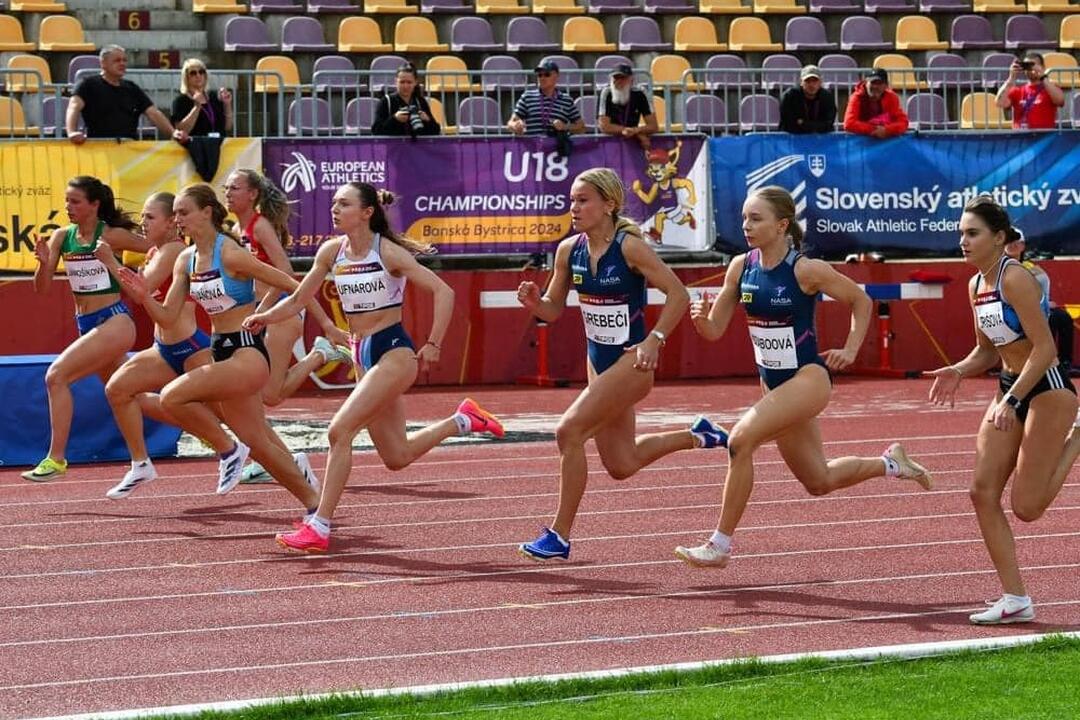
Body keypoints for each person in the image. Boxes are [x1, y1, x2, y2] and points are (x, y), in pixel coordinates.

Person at [674, 185, 932, 569]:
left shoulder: (805, 270)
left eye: (756, 218)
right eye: (744, 217)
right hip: (773, 386)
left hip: (809, 379)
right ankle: (892, 463)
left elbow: (861, 301)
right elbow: (714, 331)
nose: (746, 225)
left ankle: (718, 545)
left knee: (740, 442)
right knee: (819, 481)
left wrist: (850, 348)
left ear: (782, 225)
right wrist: (701, 322)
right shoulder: (740, 268)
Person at [243, 183, 505, 553]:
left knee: (340, 430)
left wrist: (433, 344)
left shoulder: (389, 253)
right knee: (396, 456)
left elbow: (444, 292)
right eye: (333, 203)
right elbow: (301, 297)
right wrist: (265, 316)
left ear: (367, 212)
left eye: (344, 204)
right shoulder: (331, 252)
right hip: (361, 353)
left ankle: (319, 524)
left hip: (393, 352)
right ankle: (463, 420)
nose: (335, 209)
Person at [515, 167, 709, 562]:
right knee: (622, 464)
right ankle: (697, 435)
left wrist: (654, 339)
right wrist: (536, 303)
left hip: (631, 363)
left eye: (583, 200)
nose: (574, 207)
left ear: (609, 205)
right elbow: (553, 310)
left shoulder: (630, 248)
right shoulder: (568, 250)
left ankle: (559, 536)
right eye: (571, 200)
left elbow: (678, 294)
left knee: (568, 432)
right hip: (597, 363)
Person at [116, 184, 321, 515]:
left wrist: (318, 324)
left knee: (171, 395)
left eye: (184, 213)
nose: (177, 220)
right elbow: (167, 316)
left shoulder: (231, 254)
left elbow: (293, 284)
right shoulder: (186, 259)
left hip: (247, 354)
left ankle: (227, 451)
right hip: (220, 350)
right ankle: (315, 504)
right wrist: (142, 297)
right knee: (260, 443)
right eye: (176, 214)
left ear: (206, 212)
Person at [927, 196, 1077, 625]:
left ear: (998, 237)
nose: (963, 241)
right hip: (1010, 386)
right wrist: (958, 370)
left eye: (972, 233)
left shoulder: (1016, 279)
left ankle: (1078, 436)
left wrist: (1012, 402)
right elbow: (986, 352)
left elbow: (1046, 349)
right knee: (981, 492)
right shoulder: (976, 285)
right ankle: (1015, 599)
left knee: (1027, 507)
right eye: (960, 233)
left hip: (1047, 389)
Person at [223, 168, 353, 485]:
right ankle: (272, 461)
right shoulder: (236, 229)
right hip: (257, 316)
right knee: (247, 397)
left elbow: (286, 273)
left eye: (234, 188)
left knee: (269, 396)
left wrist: (265, 310)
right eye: (225, 187)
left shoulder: (260, 226)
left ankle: (319, 355)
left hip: (279, 316)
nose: (227, 193)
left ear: (252, 194)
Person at [21, 176, 151, 481]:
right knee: (129, 395)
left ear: (94, 205)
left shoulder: (112, 236)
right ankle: (213, 437)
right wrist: (42, 265)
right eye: (66, 200)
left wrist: (150, 273)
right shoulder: (61, 237)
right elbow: (42, 290)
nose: (68, 206)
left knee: (56, 377)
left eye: (75, 201)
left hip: (115, 321)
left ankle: (56, 459)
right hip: (88, 325)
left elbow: (161, 247)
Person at [94, 192, 213, 498]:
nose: (143, 224)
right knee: (118, 391)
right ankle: (140, 463)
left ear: (172, 221)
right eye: (143, 217)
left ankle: (283, 461)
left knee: (234, 418)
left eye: (150, 217)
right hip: (163, 349)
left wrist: (110, 262)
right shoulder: (156, 252)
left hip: (191, 347)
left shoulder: (174, 250)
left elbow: (140, 291)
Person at [66, 45, 185, 144]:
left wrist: (173, 132)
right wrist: (71, 132)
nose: (122, 63)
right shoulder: (87, 84)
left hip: (128, 149)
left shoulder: (132, 88)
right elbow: (73, 107)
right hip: (99, 147)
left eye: (124, 60)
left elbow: (153, 113)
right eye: (117, 60)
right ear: (103, 63)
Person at [1004, 228, 1073, 373]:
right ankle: (1043, 361)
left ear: (1022, 245)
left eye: (1016, 241)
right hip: (1011, 310)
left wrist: (1046, 303)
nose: (1012, 244)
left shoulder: (1032, 267)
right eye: (1008, 241)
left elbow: (1044, 288)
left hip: (1038, 308)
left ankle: (1064, 363)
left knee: (1062, 318)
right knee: (1047, 319)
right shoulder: (1001, 267)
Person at [507, 60, 585, 140]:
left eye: (547, 75)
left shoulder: (566, 100)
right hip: (532, 147)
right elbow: (510, 123)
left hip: (555, 148)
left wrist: (564, 127)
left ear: (556, 76)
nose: (542, 78)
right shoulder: (527, 96)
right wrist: (515, 126)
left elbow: (581, 127)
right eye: (539, 75)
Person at [995, 52, 1065, 130]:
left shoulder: (1050, 88)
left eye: (1033, 65)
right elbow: (1000, 103)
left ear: (1043, 67)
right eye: (1027, 66)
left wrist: (1043, 76)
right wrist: (1011, 78)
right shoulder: (1018, 91)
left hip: (1044, 138)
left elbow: (1060, 101)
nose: (1030, 69)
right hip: (1022, 138)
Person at [370, 63, 441, 137]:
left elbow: (436, 131)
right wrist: (394, 119)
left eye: (409, 82)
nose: (405, 86)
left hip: (417, 147)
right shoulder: (386, 101)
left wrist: (427, 120)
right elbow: (376, 131)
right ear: (396, 82)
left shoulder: (420, 101)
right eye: (402, 82)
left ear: (415, 83)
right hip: (394, 147)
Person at [597, 63, 657, 149]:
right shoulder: (606, 93)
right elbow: (604, 127)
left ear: (631, 80)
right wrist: (636, 133)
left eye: (622, 78)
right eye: (615, 78)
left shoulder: (641, 93)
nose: (618, 81)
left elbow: (653, 126)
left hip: (632, 142)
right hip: (609, 142)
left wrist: (636, 131)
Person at [170, 58, 233, 137]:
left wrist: (227, 104)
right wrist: (197, 107)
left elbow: (227, 126)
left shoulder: (213, 97)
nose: (198, 75)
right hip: (194, 146)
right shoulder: (180, 101)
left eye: (201, 72)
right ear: (186, 78)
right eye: (193, 73)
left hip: (216, 144)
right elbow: (181, 131)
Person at [842, 68, 908, 139]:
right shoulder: (856, 97)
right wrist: (874, 129)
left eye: (879, 83)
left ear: (886, 85)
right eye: (873, 82)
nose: (875, 86)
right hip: (861, 141)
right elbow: (848, 124)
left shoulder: (892, 97)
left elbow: (903, 122)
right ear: (866, 83)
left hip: (885, 140)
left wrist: (887, 130)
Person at [778, 65, 836, 134]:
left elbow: (828, 124)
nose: (811, 85)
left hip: (821, 138)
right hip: (793, 137)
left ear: (820, 82)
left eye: (815, 81)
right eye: (807, 81)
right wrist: (814, 125)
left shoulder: (827, 97)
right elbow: (789, 123)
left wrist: (802, 123)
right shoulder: (789, 96)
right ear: (801, 82)